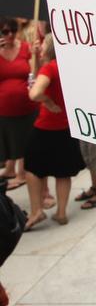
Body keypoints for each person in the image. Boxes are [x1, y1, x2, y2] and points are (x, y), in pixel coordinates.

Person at [24, 36, 85, 229]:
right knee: (63, 171)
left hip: (46, 125)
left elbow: (34, 93)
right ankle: (61, 212)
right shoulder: (66, 65)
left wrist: (48, 102)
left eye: (42, 44)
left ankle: (36, 210)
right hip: (66, 126)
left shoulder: (50, 68)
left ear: (49, 47)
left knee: (32, 168)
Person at [0, 17, 36, 192]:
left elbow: (34, 73)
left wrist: (36, 56)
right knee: (9, 143)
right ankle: (9, 169)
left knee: (25, 143)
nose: (10, 35)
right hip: (4, 109)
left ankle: (22, 173)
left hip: (26, 106)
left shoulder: (25, 48)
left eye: (13, 31)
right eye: (5, 32)